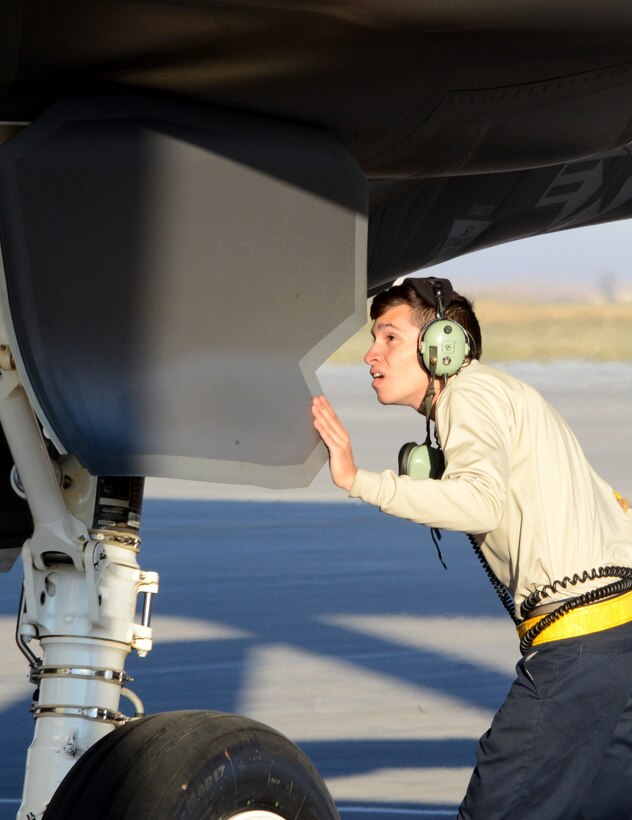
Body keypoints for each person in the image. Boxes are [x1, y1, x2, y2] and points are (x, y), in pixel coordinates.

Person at [311, 276, 632, 819]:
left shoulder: (469, 394)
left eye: (389, 337)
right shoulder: (503, 395)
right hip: (615, 643)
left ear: (443, 343)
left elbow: (481, 503)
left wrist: (358, 479)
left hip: (579, 646)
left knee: (499, 805)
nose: (370, 354)